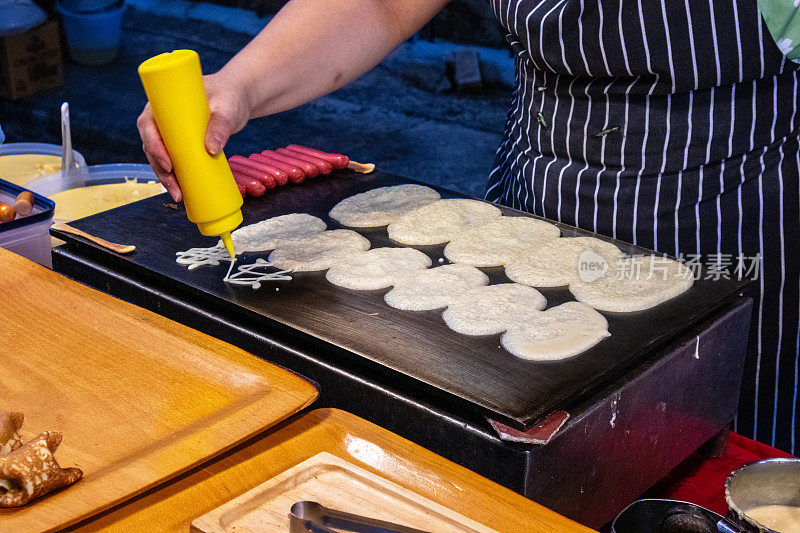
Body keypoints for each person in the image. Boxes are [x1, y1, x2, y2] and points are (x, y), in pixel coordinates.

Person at [139, 0, 800, 454]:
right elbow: (381, 6)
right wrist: (240, 87)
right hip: (541, 190)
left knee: (707, 456)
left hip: (729, 196)